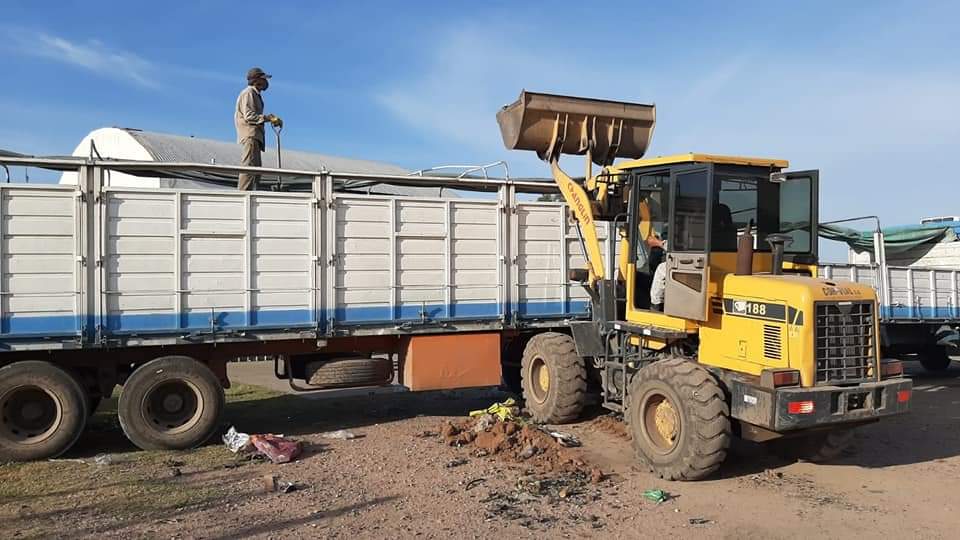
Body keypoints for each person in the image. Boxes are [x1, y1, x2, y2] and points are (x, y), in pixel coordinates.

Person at [235, 67, 282, 190]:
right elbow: (249, 116)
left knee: (255, 170)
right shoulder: (249, 93)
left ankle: (252, 194)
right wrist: (267, 118)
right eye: (264, 79)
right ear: (256, 80)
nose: (266, 82)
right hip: (250, 135)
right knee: (249, 168)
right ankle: (243, 195)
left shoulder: (255, 94)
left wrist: (269, 118)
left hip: (255, 136)